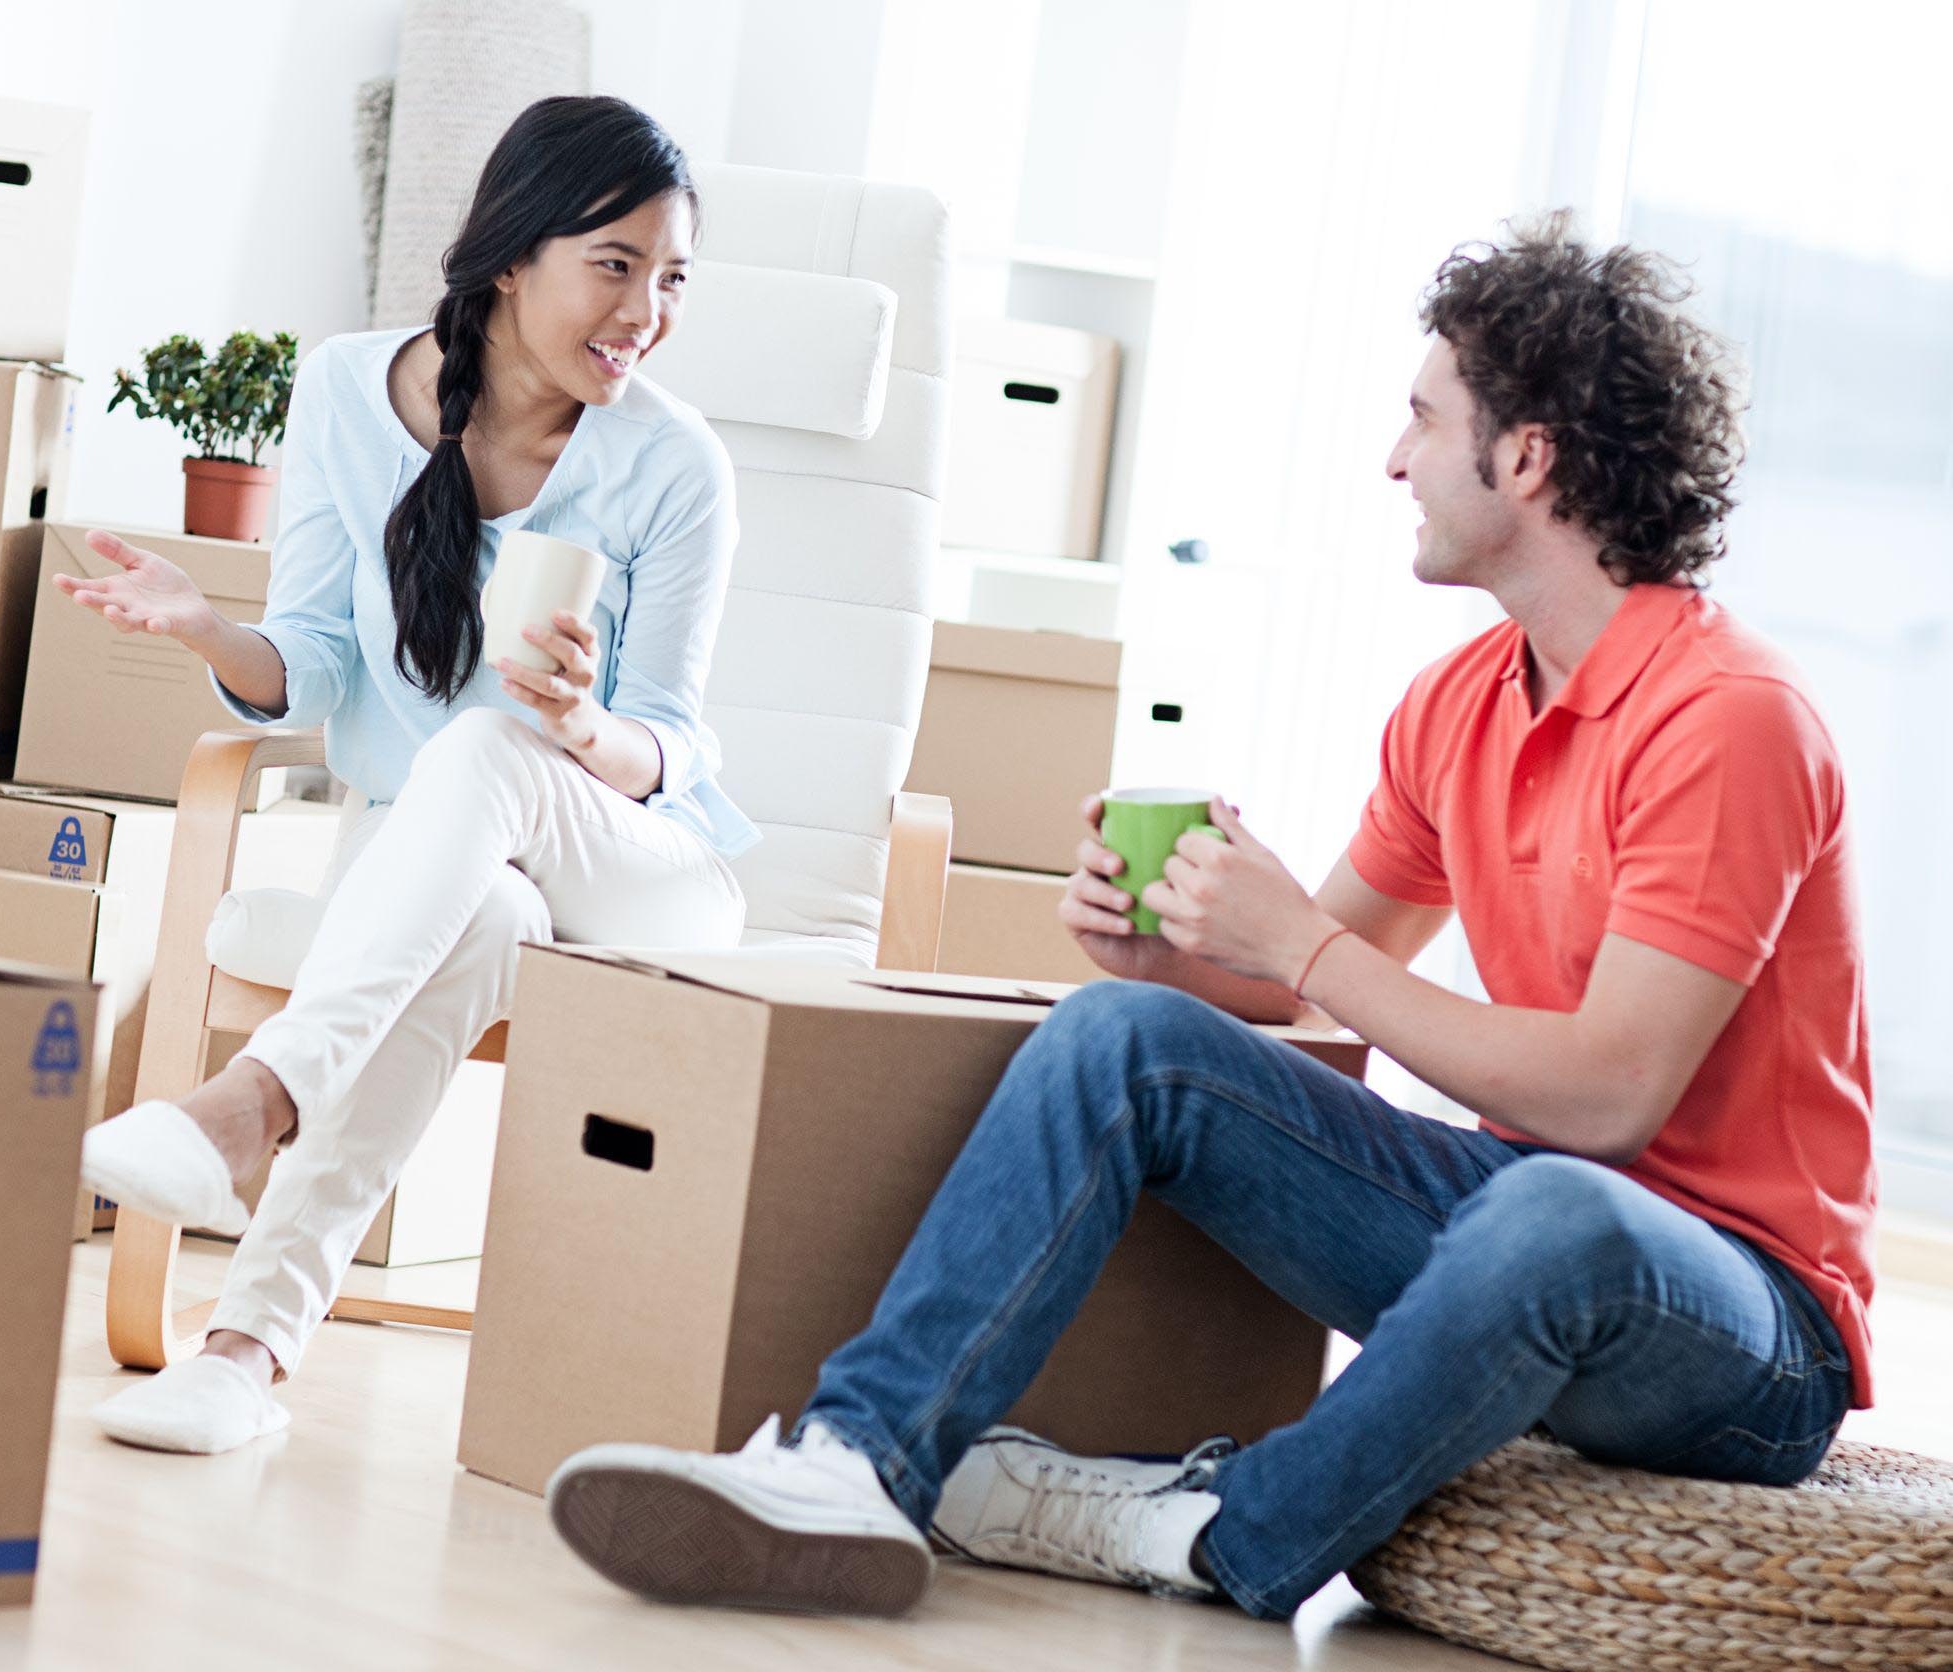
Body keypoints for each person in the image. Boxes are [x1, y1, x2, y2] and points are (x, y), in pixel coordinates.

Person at [546, 214, 1876, 1624]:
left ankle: (1229, 1531)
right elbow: (1313, 982)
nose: (1394, 459)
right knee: (1129, 1038)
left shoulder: (1729, 721)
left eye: (1423, 420)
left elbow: (1607, 1099)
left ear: (1528, 457)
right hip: (1508, 1230)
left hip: (1747, 1327)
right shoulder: (1461, 703)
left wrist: (1297, 940)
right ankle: (858, 1465)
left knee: (1556, 1203)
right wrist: (1181, 951)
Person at [68, 96, 756, 1454]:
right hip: (446, 861)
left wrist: (573, 720)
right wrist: (212, 628)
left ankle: (247, 1103)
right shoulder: (343, 390)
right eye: (614, 265)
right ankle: (241, 1356)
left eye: (671, 279)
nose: (646, 312)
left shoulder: (676, 465)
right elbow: (316, 659)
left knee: (491, 744)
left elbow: (672, 739)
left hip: (642, 864)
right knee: (482, 912)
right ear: (512, 256)